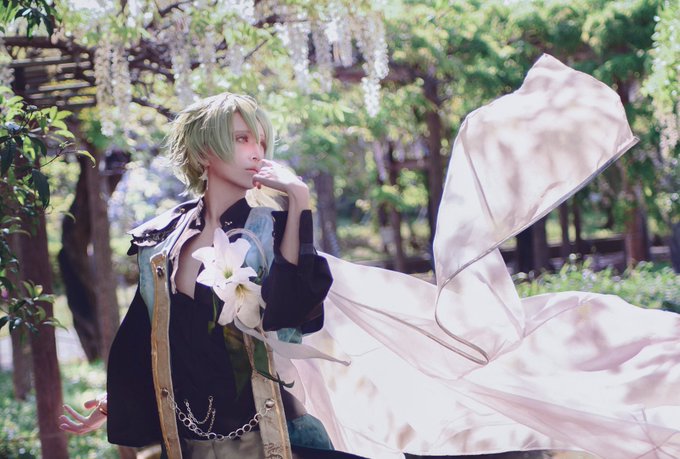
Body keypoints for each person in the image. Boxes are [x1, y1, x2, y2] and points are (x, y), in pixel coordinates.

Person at [60, 93, 361, 459]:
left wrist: (298, 199)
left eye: (261, 141)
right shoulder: (161, 238)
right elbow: (149, 333)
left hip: (274, 438)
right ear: (204, 152)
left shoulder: (273, 230)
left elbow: (292, 314)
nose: (256, 151)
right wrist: (118, 399)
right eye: (241, 139)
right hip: (189, 442)